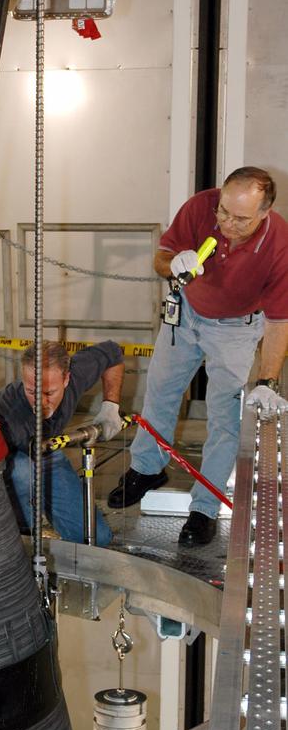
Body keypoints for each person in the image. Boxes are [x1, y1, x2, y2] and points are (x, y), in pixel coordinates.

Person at [108, 166, 288, 546]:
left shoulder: (279, 245)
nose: (226, 223)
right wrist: (171, 264)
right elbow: (161, 258)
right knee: (160, 392)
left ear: (264, 213)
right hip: (185, 315)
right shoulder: (200, 207)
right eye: (223, 211)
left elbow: (278, 321)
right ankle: (146, 468)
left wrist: (268, 381)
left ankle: (204, 507)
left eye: (240, 219)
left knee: (225, 418)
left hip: (238, 329)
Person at [0, 340, 124, 546]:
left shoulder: (77, 376)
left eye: (49, 393)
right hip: (8, 464)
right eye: (31, 391)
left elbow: (113, 352)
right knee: (23, 474)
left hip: (47, 454)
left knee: (96, 539)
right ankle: (23, 538)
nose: (40, 402)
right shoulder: (7, 411)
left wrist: (111, 405)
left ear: (66, 379)